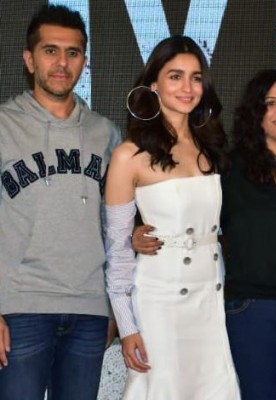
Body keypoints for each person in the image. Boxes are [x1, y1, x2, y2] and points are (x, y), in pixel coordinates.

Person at [133, 69, 276, 400]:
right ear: (256, 113)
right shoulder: (227, 167)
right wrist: (137, 232)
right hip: (249, 310)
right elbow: (186, 209)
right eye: (270, 103)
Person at [104, 36, 240, 399]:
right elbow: (117, 252)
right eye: (175, 76)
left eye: (196, 78)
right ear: (154, 84)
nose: (187, 87)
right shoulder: (128, 155)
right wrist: (127, 327)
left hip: (210, 295)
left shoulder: (212, 147)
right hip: (159, 300)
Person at [0, 4, 121, 400]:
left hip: (89, 311)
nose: (62, 63)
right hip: (19, 309)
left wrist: (113, 307)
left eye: (73, 52)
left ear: (84, 61)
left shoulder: (106, 134)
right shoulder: (3, 126)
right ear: (29, 59)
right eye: (50, 50)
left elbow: (114, 227)